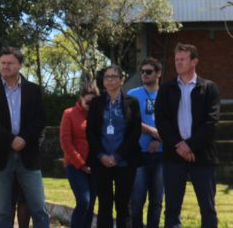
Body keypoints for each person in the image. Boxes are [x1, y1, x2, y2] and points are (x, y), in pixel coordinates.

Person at [0, 47, 50, 228]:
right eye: (2, 63)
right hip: (1, 156)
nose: (5, 67)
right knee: (2, 211)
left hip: (28, 156)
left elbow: (40, 120)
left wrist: (24, 139)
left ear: (20, 65)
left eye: (10, 63)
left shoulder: (34, 90)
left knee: (39, 209)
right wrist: (11, 139)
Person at [155, 43, 220, 228]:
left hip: (203, 156)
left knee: (208, 208)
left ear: (194, 61)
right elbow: (162, 122)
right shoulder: (166, 89)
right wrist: (179, 145)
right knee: (172, 208)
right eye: (176, 59)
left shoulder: (209, 88)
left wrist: (190, 145)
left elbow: (211, 123)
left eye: (182, 59)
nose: (178, 62)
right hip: (173, 156)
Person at [86, 65, 142, 228]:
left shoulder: (132, 102)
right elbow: (90, 132)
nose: (109, 80)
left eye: (113, 77)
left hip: (125, 161)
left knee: (123, 205)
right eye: (106, 77)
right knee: (104, 205)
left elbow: (135, 132)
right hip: (101, 162)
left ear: (121, 80)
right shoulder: (96, 102)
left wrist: (117, 156)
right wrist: (102, 156)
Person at [127, 57, 164, 228]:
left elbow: (172, 122)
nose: (144, 75)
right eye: (142, 72)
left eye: (148, 71)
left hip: (162, 156)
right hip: (139, 154)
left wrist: (157, 139)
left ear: (158, 73)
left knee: (156, 202)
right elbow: (131, 121)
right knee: (137, 201)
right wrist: (152, 132)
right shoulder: (132, 95)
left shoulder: (167, 95)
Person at [60, 82, 99, 228]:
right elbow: (65, 142)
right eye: (88, 102)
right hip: (75, 166)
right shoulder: (69, 114)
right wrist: (81, 164)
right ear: (81, 99)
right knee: (84, 201)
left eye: (94, 102)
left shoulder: (100, 114)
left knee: (91, 205)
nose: (90, 105)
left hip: (95, 166)